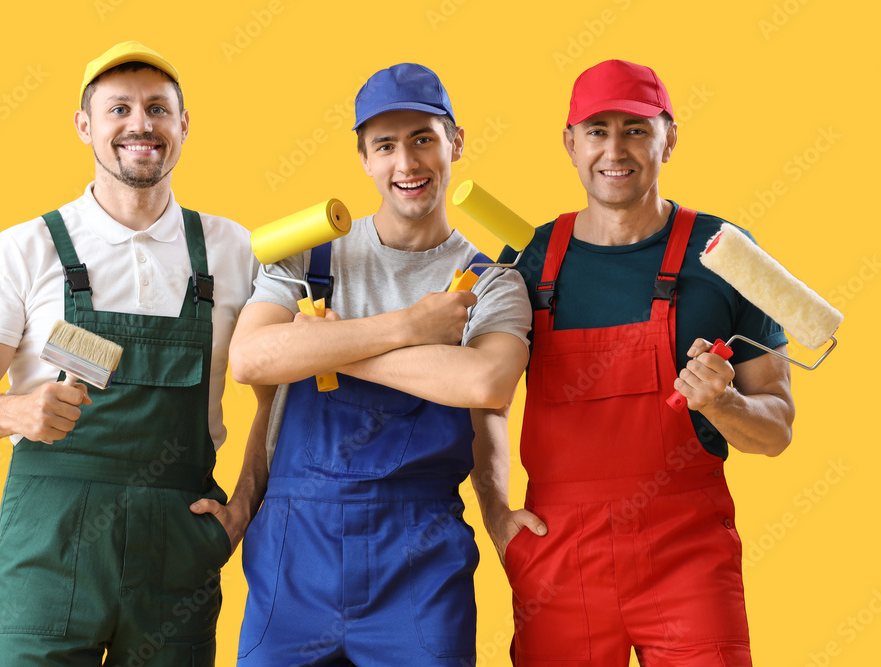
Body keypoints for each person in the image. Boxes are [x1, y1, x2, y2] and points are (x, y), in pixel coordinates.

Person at [0, 41, 271, 666]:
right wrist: (13, 412)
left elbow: (283, 387)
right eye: (119, 109)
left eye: (158, 109)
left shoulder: (233, 250)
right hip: (51, 543)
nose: (140, 124)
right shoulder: (26, 248)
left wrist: (245, 501)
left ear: (183, 126)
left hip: (180, 541)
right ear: (85, 126)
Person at [473, 59, 796, 666]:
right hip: (559, 555)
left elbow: (776, 430)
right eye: (597, 130)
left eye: (637, 129)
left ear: (669, 138)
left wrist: (724, 403)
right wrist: (494, 509)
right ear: (570, 142)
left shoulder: (726, 255)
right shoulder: (528, 258)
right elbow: (484, 395)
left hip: (688, 553)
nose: (614, 149)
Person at [224, 63, 532, 665]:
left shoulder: (493, 279)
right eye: (385, 146)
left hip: (418, 555)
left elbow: (484, 382)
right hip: (294, 554)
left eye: (423, 139)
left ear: (456, 143)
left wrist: (329, 346)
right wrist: (409, 329)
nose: (407, 164)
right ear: (364, 157)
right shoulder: (307, 255)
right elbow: (251, 359)